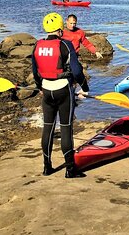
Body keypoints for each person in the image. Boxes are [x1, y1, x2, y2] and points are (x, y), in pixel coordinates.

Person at [32, 12, 89, 178]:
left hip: (46, 90)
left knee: (48, 127)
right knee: (66, 128)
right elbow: (77, 71)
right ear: (60, 28)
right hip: (63, 90)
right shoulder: (66, 45)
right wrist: (85, 87)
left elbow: (35, 72)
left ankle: (47, 167)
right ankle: (70, 170)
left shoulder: (37, 45)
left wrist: (39, 87)